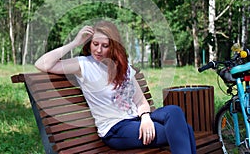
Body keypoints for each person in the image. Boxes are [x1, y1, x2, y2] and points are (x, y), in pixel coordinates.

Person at [35, 21, 196, 154]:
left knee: (174, 111)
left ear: (112, 46)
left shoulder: (123, 67)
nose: (98, 50)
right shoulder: (83, 65)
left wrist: (146, 118)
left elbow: (140, 101)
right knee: (184, 130)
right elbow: (42, 64)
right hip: (116, 129)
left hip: (137, 119)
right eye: (95, 44)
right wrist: (75, 42)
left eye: (104, 45)